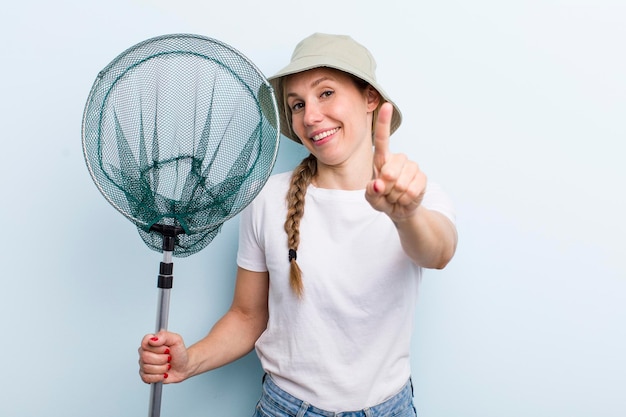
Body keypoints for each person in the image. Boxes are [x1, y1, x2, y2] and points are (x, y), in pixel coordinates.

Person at [138, 32, 458, 417]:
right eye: (296, 104)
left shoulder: (412, 192)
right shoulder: (267, 200)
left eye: (326, 93)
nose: (310, 117)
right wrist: (192, 361)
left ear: (369, 98)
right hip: (285, 408)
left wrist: (405, 214)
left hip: (390, 407)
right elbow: (247, 316)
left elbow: (438, 252)